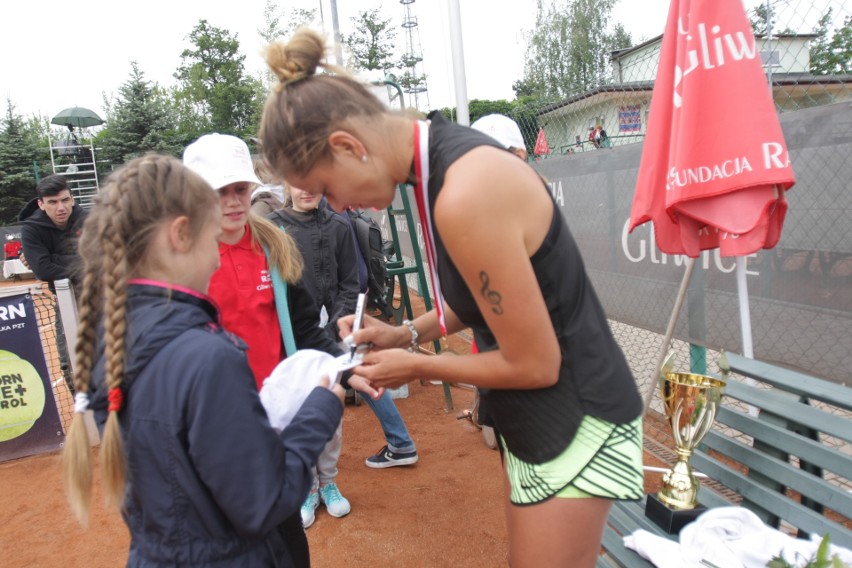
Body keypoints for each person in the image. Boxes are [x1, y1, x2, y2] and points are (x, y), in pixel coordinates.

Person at [258, 28, 645, 568]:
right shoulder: (438, 169)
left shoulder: (463, 189)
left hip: (577, 419)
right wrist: (404, 333)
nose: (336, 204)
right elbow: (490, 300)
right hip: (547, 420)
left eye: (326, 186)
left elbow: (535, 361)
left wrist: (414, 365)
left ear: (348, 147)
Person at [61, 153, 345, 567]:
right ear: (180, 234)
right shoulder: (210, 357)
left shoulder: (112, 335)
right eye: (213, 239)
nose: (217, 257)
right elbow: (261, 502)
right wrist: (319, 411)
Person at [183, 133, 386, 530]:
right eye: (218, 190)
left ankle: (315, 489)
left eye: (241, 188)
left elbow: (305, 326)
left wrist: (347, 368)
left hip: (274, 409)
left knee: (281, 530)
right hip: (215, 419)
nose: (233, 200)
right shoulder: (180, 260)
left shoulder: (274, 246)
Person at [269, 188, 420, 472]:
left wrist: (336, 323)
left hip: (335, 325)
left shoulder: (338, 224)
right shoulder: (273, 227)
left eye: (313, 180)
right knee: (297, 394)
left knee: (359, 372)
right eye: (299, 181)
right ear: (286, 183)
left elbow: (351, 282)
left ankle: (400, 443)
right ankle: (302, 473)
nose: (306, 189)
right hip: (290, 331)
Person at [19, 174, 88, 392]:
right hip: (67, 300)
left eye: (65, 200)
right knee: (70, 364)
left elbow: (104, 259)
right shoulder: (32, 228)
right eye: (53, 202)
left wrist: (55, 258)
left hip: (102, 294)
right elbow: (43, 269)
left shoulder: (90, 219)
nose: (61, 207)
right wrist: (82, 262)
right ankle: (84, 418)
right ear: (41, 204)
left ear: (72, 199)